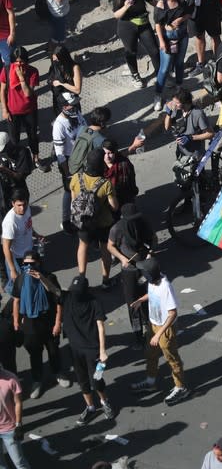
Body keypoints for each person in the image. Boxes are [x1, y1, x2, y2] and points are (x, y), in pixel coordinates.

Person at [128, 258, 190, 406]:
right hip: (153, 324)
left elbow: (173, 313)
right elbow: (153, 294)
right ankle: (150, 382)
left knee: (172, 358)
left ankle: (181, 387)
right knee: (151, 354)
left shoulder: (165, 287)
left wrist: (159, 334)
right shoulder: (152, 282)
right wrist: (141, 300)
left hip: (164, 329)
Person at [11, 249, 67, 400]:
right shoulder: (21, 279)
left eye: (31, 264)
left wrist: (57, 323)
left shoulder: (49, 277)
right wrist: (16, 322)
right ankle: (37, 380)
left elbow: (58, 298)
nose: (28, 267)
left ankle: (58, 372)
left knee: (53, 350)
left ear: (38, 263)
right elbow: (16, 301)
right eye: (25, 264)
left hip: (48, 319)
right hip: (29, 323)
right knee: (35, 354)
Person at [62, 275, 114, 425]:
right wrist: (41, 278)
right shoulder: (68, 297)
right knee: (82, 381)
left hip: (93, 350)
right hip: (75, 349)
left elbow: (100, 327)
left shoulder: (94, 303)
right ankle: (90, 407)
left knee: (96, 379)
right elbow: (53, 290)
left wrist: (103, 350)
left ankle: (105, 402)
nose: (75, 293)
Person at [107, 203, 155, 348]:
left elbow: (153, 239)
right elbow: (110, 246)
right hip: (129, 272)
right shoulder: (117, 228)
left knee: (147, 298)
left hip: (144, 267)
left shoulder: (143, 223)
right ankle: (137, 333)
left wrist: (150, 253)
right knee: (132, 304)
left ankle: (150, 327)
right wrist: (122, 259)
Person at [70, 148, 118, 288]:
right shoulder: (105, 183)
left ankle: (81, 278)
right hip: (103, 223)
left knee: (83, 246)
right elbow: (114, 206)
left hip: (83, 221)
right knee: (105, 249)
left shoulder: (76, 178)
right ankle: (105, 280)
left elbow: (73, 200)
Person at [50, 45, 84, 231]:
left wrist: (62, 84)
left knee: (78, 188)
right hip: (70, 159)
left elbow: (77, 89)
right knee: (68, 189)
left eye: (56, 58)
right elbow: (61, 152)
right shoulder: (59, 124)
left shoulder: (74, 68)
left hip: (78, 155)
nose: (54, 61)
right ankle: (67, 219)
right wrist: (65, 169)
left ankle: (77, 215)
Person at [112, 0, 160, 89]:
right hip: (126, 26)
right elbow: (116, 15)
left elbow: (153, 1)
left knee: (154, 50)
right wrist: (126, 6)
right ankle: (135, 76)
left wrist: (166, 4)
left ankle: (161, 74)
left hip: (143, 23)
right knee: (131, 52)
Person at [0, 47, 42, 170]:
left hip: (29, 110)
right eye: (16, 61)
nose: (19, 64)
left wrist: (22, 78)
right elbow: (2, 91)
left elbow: (28, 93)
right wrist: (5, 109)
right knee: (14, 138)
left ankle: (36, 158)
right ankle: (16, 159)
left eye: (22, 61)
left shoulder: (33, 72)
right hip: (13, 111)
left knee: (33, 135)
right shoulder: (6, 70)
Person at [152, 0, 191, 112]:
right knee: (164, 68)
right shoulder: (161, 5)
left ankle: (178, 88)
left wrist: (181, 19)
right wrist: (162, 42)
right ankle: (158, 94)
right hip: (168, 39)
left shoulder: (181, 1)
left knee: (180, 63)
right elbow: (157, 24)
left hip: (182, 36)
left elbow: (188, 13)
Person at [0, 364, 34, 469]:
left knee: (19, 461)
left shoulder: (10, 379)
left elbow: (18, 403)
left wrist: (18, 424)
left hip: (9, 429)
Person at [2, 189, 41, 293]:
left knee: (26, 279)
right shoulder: (10, 222)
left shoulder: (27, 209)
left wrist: (35, 235)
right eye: (19, 205)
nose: (22, 208)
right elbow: (6, 248)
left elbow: (27, 225)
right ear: (13, 203)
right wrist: (13, 269)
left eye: (24, 204)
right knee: (16, 283)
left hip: (27, 252)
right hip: (17, 258)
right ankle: (14, 298)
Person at [163, 89, 214, 157]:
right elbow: (167, 128)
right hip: (181, 150)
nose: (174, 105)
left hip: (195, 153)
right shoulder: (177, 110)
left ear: (185, 103)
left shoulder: (198, 114)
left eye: (177, 103)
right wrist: (168, 114)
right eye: (173, 101)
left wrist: (190, 138)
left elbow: (210, 134)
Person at [0, 133, 32, 211]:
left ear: (9, 144)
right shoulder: (2, 152)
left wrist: (4, 169)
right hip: (4, 190)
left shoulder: (22, 152)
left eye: (3, 149)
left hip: (18, 192)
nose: (2, 152)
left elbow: (20, 177)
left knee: (20, 215)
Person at [102, 139, 138, 208]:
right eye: (105, 153)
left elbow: (131, 180)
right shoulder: (100, 164)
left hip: (124, 198)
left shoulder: (125, 164)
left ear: (115, 152)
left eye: (110, 153)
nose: (107, 156)